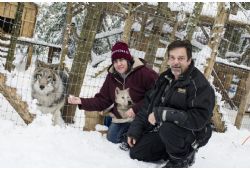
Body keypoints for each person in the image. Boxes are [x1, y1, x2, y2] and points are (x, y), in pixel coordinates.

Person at [126, 40, 215, 168]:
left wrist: (162, 114)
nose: (176, 62)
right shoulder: (164, 78)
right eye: (172, 58)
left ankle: (182, 158)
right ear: (168, 60)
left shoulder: (199, 84)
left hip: (193, 132)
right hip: (166, 130)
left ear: (189, 60)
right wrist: (135, 130)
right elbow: (148, 105)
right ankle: (170, 151)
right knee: (136, 152)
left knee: (167, 128)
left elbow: (198, 119)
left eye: (181, 58)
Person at [68, 41, 158, 145]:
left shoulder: (145, 73)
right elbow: (102, 100)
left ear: (128, 59)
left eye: (121, 60)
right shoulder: (111, 77)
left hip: (142, 116)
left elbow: (156, 95)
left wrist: (136, 108)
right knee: (112, 138)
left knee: (134, 139)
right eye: (115, 61)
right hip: (122, 118)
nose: (118, 64)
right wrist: (81, 101)